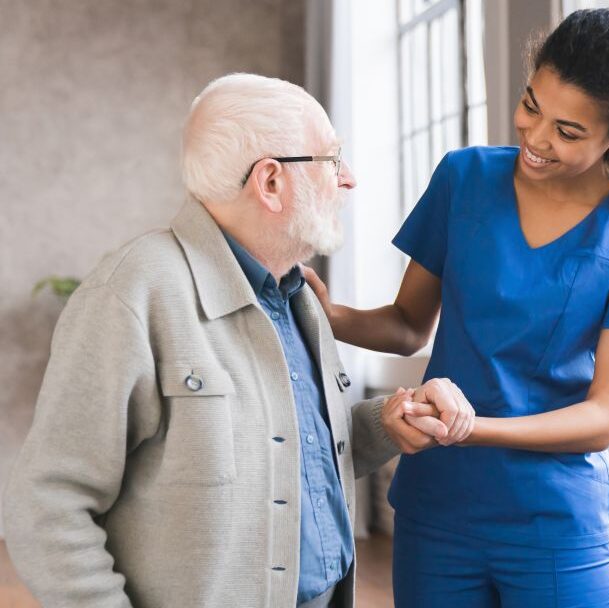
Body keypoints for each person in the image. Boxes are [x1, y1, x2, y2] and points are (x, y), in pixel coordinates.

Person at [2, 73, 465, 608]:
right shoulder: (133, 292)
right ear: (271, 182)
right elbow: (47, 503)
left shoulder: (301, 297)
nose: (348, 179)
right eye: (331, 160)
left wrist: (387, 421)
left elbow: (297, 453)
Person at [306, 8, 609, 607]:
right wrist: (333, 317)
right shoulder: (463, 178)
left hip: (555, 523)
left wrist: (466, 428)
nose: (535, 139)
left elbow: (603, 417)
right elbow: (410, 327)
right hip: (436, 510)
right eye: (531, 105)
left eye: (567, 131)